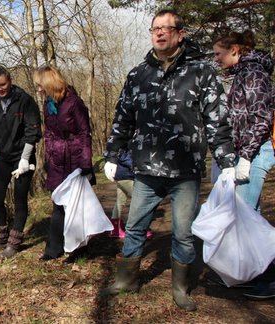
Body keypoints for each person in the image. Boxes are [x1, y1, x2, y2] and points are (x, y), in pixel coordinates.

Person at [101, 9, 236, 312]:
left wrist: (226, 160)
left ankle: (181, 287)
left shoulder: (201, 71)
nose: (159, 33)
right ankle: (127, 279)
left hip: (185, 171)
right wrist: (111, 154)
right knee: (134, 226)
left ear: (180, 34)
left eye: (166, 28)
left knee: (184, 233)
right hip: (146, 170)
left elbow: (217, 120)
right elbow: (123, 118)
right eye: (155, 28)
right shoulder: (138, 74)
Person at [212, 30, 275, 299]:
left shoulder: (254, 74)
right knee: (250, 214)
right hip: (243, 153)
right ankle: (253, 273)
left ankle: (269, 278)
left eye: (219, 54)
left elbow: (260, 117)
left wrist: (247, 156)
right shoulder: (241, 74)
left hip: (256, 152)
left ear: (235, 50)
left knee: (247, 217)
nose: (216, 59)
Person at [31, 66, 94, 261]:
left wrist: (85, 161)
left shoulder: (74, 103)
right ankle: (53, 249)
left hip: (76, 160)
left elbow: (85, 132)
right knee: (58, 204)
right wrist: (49, 158)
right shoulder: (48, 105)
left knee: (76, 206)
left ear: (49, 82)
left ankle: (78, 248)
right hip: (57, 160)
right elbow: (49, 133)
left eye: (40, 84)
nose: (39, 89)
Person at [0, 64, 42, 259]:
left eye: (3, 84)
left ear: (10, 80)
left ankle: (14, 243)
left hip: (22, 156)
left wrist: (24, 160)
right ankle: (0, 238)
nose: (0, 89)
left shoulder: (24, 100)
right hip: (2, 157)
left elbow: (32, 131)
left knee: (19, 198)